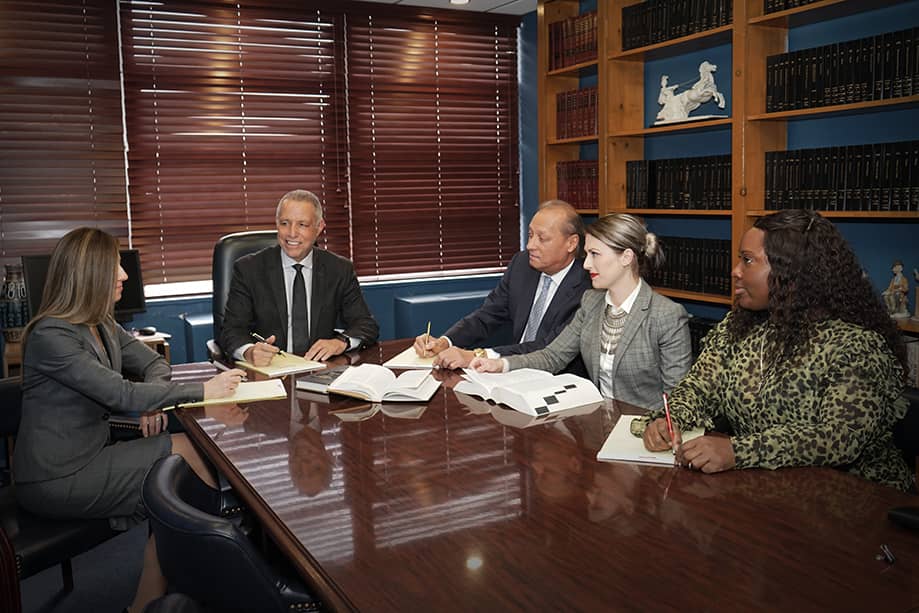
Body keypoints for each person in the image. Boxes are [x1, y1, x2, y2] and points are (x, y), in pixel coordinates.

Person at [12, 227, 245, 613]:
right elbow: (119, 394)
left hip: (92, 452)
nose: (123, 275)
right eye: (114, 267)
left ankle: (159, 594)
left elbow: (154, 363)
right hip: (56, 476)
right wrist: (205, 391)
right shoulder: (51, 335)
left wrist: (153, 401)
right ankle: (225, 550)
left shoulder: (102, 323)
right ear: (88, 274)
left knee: (178, 486)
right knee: (187, 463)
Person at [641, 210, 913, 492]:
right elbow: (698, 389)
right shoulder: (738, 328)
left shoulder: (856, 346)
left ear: (792, 272)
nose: (735, 271)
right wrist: (669, 420)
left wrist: (738, 451)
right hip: (765, 488)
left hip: (858, 497)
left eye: (748, 260)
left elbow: (838, 438)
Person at [471, 213, 692, 410]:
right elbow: (553, 356)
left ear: (626, 257)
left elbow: (678, 398)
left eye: (595, 254)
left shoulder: (666, 315)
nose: (586, 265)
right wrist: (502, 364)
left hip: (647, 430)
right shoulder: (591, 302)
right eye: (587, 254)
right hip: (598, 424)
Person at [413, 200, 591, 371]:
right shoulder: (522, 265)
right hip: (509, 371)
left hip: (557, 378)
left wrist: (478, 356)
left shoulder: (588, 287)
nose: (530, 245)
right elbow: (488, 315)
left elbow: (548, 348)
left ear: (571, 243)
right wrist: (445, 342)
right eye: (530, 235)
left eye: (542, 238)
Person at [220, 189, 379, 364]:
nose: (292, 233)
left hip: (320, 368)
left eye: (302, 224)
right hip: (270, 369)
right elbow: (232, 330)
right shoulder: (249, 269)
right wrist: (249, 352)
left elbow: (366, 325)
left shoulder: (339, 269)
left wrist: (341, 342)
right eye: (285, 223)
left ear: (319, 227)